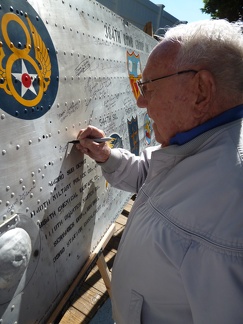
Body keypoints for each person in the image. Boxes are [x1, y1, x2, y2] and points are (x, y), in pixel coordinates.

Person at [76, 19, 243, 323]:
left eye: (149, 87)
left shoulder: (231, 219)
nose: (140, 101)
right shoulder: (199, 141)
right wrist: (106, 156)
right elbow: (149, 175)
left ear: (201, 91)